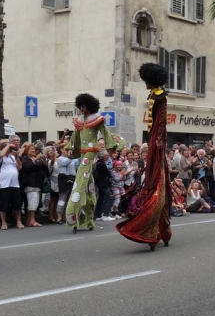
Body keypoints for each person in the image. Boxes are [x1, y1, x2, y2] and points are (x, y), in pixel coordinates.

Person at [117, 63, 173, 250]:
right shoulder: (152, 94)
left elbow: (163, 117)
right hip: (152, 135)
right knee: (150, 179)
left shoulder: (160, 95)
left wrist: (159, 139)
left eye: (146, 81)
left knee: (158, 181)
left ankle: (156, 228)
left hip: (156, 135)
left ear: (151, 80)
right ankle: (161, 230)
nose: (145, 84)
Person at [65, 93, 115, 233]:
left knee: (80, 180)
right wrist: (70, 148)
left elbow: (106, 133)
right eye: (80, 106)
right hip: (82, 152)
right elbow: (75, 136)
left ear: (89, 106)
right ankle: (88, 219)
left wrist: (108, 150)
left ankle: (73, 208)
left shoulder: (96, 120)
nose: (81, 108)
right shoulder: (80, 121)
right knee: (89, 184)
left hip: (91, 151)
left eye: (84, 106)